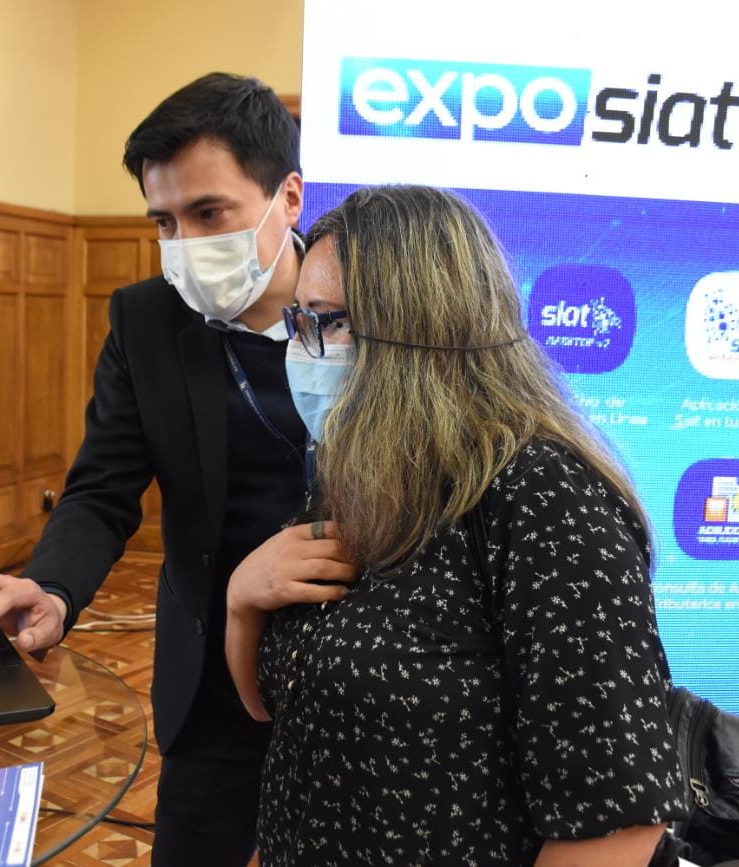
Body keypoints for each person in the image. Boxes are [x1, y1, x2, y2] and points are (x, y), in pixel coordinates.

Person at [0, 73, 354, 865]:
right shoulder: (144, 320)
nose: (186, 243)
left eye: (209, 214)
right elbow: (101, 489)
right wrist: (53, 587)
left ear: (288, 197)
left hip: (360, 670)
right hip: (210, 680)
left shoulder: (374, 301)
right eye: (165, 221)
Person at [226, 185, 685, 866]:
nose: (306, 350)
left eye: (333, 322)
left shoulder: (547, 498)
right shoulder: (360, 474)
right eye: (301, 321)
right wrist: (241, 599)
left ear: (423, 331)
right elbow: (277, 707)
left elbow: (615, 821)